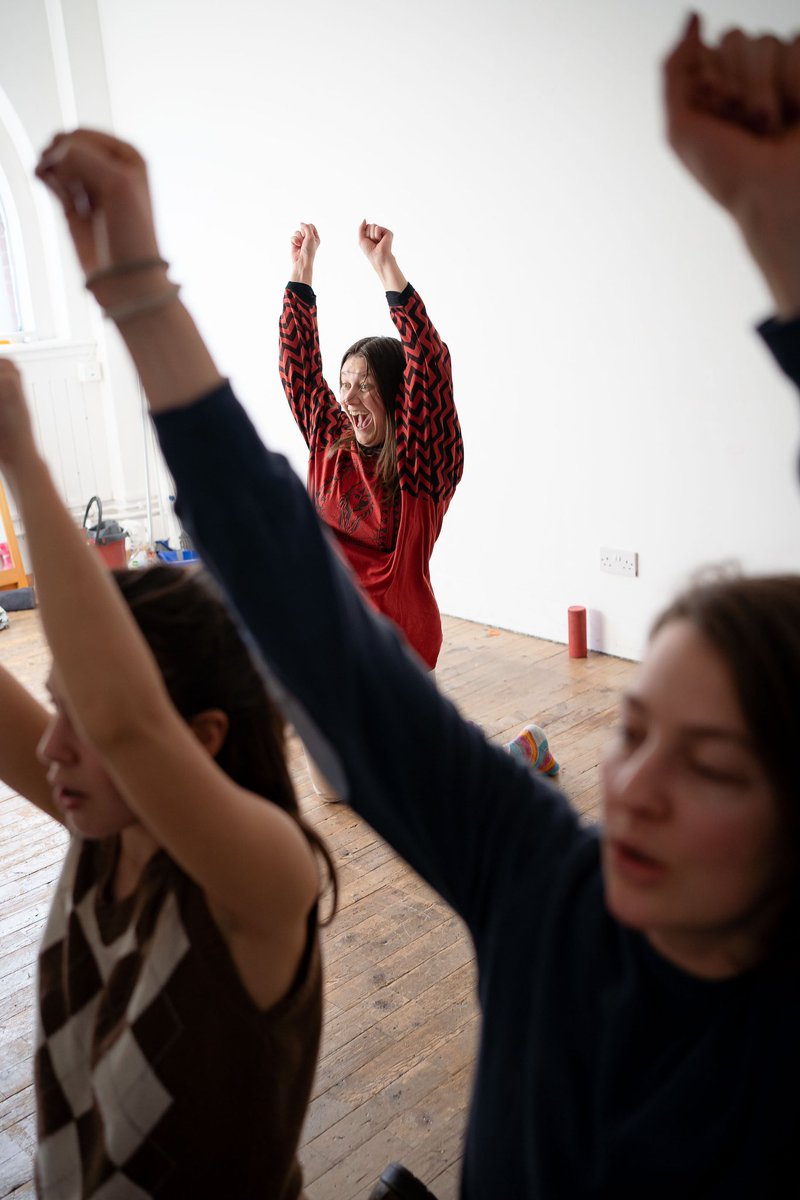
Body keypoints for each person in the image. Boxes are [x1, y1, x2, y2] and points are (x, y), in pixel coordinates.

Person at [33, 15, 800, 1198]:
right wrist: (141, 284)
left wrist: (775, 229)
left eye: (708, 764)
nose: (632, 786)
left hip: (406, 630)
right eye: (634, 731)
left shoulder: (422, 465)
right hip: (357, 637)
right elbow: (284, 562)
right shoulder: (552, 894)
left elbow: (424, 387)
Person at [0, 361, 334, 1199]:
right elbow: (116, 725)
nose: (53, 750)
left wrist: (21, 460)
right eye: (56, 709)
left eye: (87, 721)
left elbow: (126, 723)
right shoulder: (100, 822)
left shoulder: (264, 886)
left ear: (201, 736)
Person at [280, 220, 464, 675]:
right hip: (330, 634)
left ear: (396, 392)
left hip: (395, 647)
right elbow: (297, 367)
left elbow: (431, 363)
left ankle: (523, 750)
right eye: (345, 384)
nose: (348, 397)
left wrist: (385, 266)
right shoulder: (332, 442)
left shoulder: (420, 465)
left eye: (364, 385)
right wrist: (301, 271)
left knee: (392, 747)